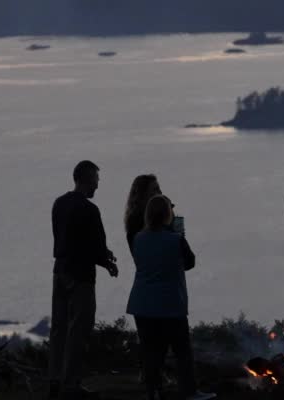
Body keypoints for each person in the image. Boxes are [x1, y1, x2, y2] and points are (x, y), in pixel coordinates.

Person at [127, 195, 214, 400]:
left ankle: (152, 392)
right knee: (182, 351)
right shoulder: (176, 239)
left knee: (150, 352)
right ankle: (189, 391)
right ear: (168, 214)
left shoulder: (138, 238)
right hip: (170, 304)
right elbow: (190, 262)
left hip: (142, 303)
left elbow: (141, 262)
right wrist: (178, 237)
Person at [49, 161, 119, 399]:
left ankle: (55, 380)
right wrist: (108, 262)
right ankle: (71, 384)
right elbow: (95, 247)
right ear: (87, 179)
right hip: (80, 276)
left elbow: (65, 239)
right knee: (78, 331)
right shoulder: (90, 210)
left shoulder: (59, 203)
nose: (97, 186)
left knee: (59, 329)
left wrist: (100, 254)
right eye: (96, 180)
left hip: (60, 272)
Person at [124, 174, 164, 254]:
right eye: (155, 189)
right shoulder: (136, 223)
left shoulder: (134, 221)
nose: (160, 192)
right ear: (142, 194)